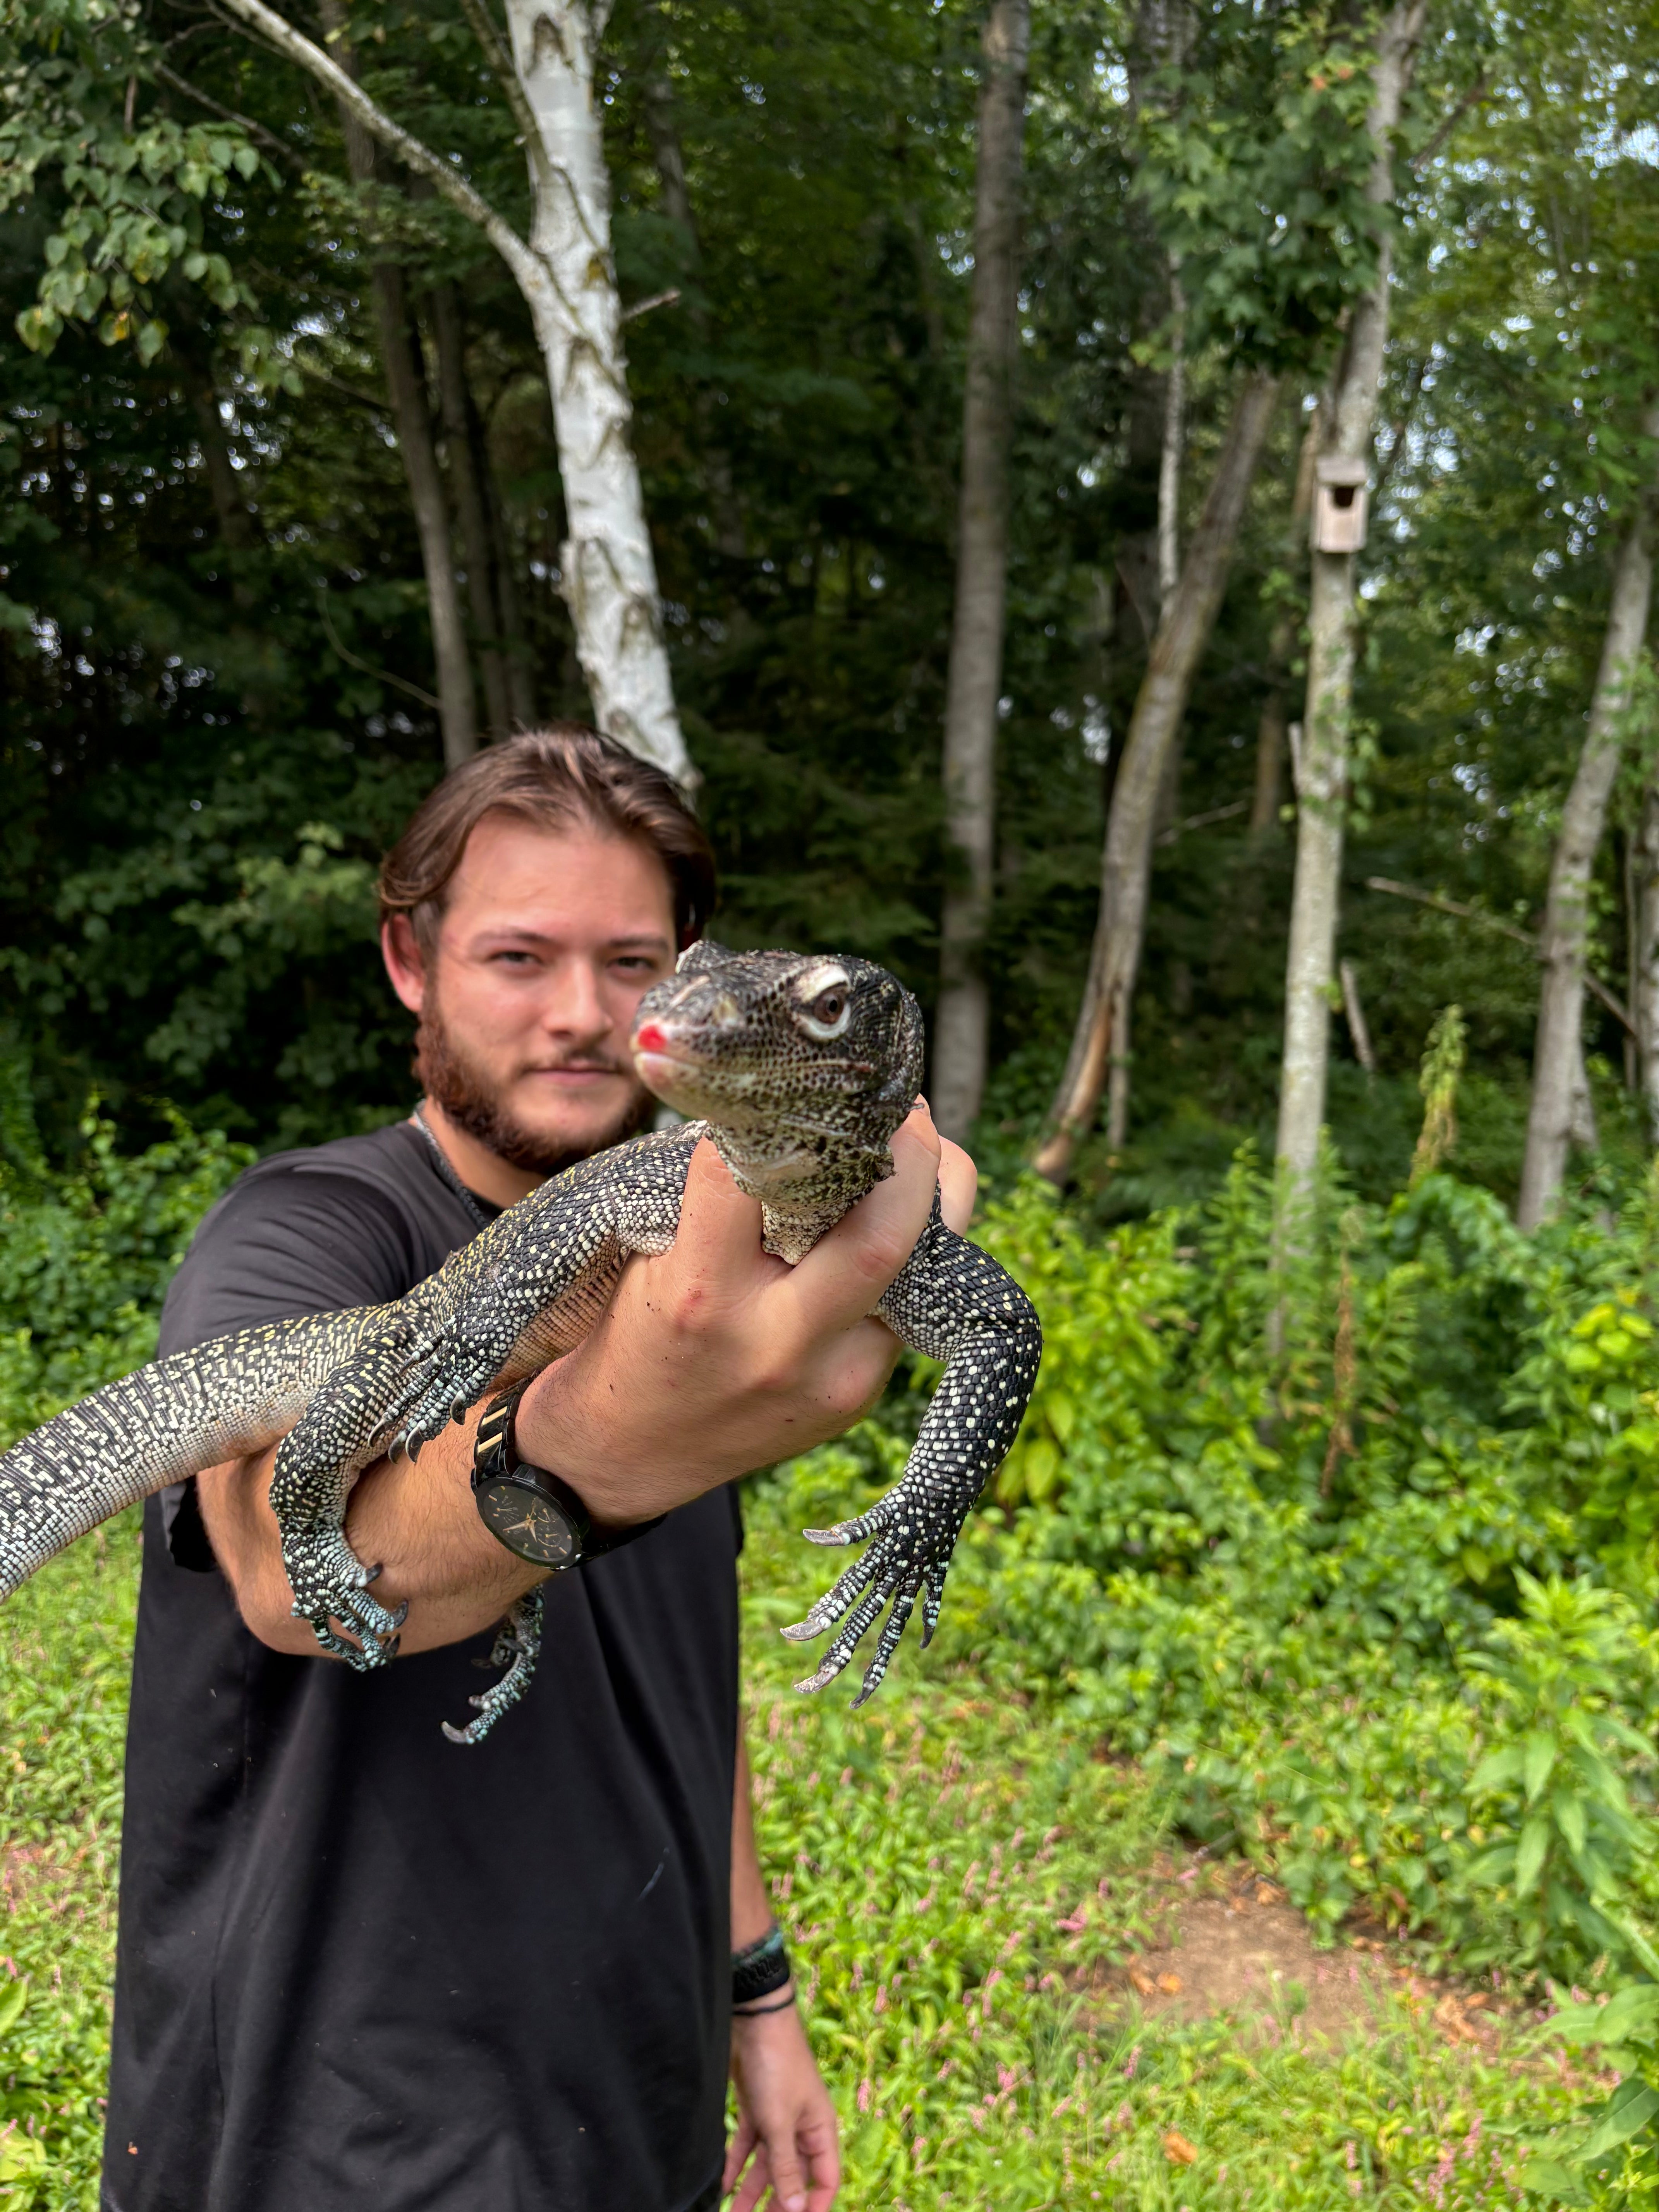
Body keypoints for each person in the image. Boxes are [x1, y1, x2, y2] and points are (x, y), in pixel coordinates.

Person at [102, 726, 975, 2212]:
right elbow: (282, 1574)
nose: (584, 1014)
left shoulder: (728, 1253)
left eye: (632, 962)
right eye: (518, 956)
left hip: (631, 2084)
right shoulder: (310, 1228)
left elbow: (677, 1673)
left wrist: (753, 1987)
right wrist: (614, 1435)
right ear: (411, 963)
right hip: (340, 2123)